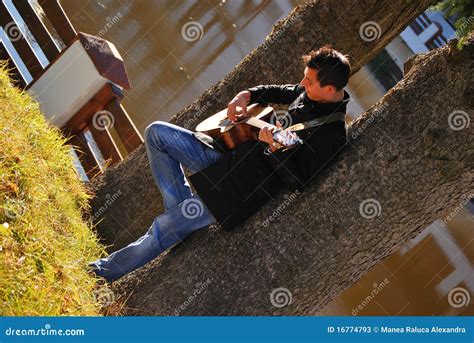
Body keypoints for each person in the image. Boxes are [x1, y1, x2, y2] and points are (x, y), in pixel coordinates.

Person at [90, 45, 351, 282]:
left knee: (163, 227)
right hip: (225, 156)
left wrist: (275, 149)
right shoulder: (309, 92)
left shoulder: (334, 135)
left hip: (237, 190)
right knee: (157, 133)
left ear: (329, 89)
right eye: (304, 77)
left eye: (309, 80)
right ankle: (181, 219)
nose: (302, 83)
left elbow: (300, 180)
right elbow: (275, 91)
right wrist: (245, 95)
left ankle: (101, 272)